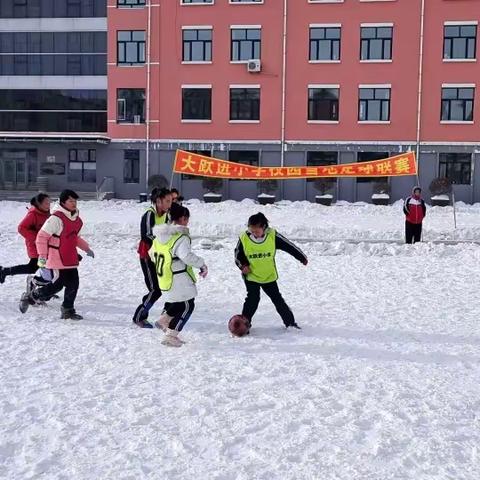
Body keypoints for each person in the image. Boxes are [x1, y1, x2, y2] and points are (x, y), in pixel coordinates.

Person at [20, 190, 94, 319]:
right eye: (70, 201)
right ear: (63, 202)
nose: (74, 203)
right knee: (57, 285)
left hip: (70, 257)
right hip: (57, 258)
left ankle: (67, 310)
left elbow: (74, 238)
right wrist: (42, 256)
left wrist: (86, 249)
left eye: (75, 201)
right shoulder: (56, 218)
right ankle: (32, 296)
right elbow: (41, 237)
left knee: (74, 283)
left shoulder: (76, 219)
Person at [235, 212, 308, 332]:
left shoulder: (272, 236)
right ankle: (244, 324)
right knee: (252, 300)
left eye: (256, 231)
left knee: (277, 299)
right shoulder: (244, 238)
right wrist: (243, 266)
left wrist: (301, 257)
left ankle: (290, 323)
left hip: (268, 276)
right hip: (251, 276)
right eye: (251, 231)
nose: (253, 233)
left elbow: (289, 246)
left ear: (264, 227)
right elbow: (238, 255)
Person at [149, 203, 207, 346]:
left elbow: (151, 254)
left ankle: (165, 319)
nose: (187, 222)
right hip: (178, 277)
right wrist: (201, 264)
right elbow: (186, 256)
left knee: (178, 303)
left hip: (164, 277)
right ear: (182, 218)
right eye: (187, 219)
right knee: (188, 305)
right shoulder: (180, 237)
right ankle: (171, 335)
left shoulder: (158, 237)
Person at [132, 187, 172, 328]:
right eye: (167, 201)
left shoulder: (167, 215)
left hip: (160, 256)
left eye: (171, 201)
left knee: (165, 287)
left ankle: (166, 317)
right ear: (158, 201)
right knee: (155, 289)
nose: (169, 204)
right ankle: (139, 316)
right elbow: (147, 236)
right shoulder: (149, 215)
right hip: (147, 256)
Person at [0, 193, 51, 284]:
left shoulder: (47, 213)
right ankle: (43, 288)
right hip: (37, 248)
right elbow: (21, 228)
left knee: (39, 267)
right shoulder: (33, 215)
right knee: (39, 266)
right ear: (39, 204)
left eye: (49, 203)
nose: (48, 205)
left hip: (45, 247)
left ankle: (5, 271)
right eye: (46, 203)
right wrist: (37, 239)